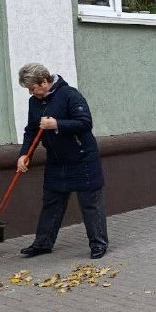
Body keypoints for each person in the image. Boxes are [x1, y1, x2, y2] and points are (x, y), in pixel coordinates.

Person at [16, 63, 108, 259]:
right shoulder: (34, 102)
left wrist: (56, 124)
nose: (31, 93)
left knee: (90, 203)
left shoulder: (69, 95)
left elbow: (85, 122)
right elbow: (31, 131)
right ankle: (43, 243)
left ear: (44, 82)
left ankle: (98, 243)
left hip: (82, 157)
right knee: (51, 202)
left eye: (32, 88)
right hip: (57, 160)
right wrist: (24, 155)